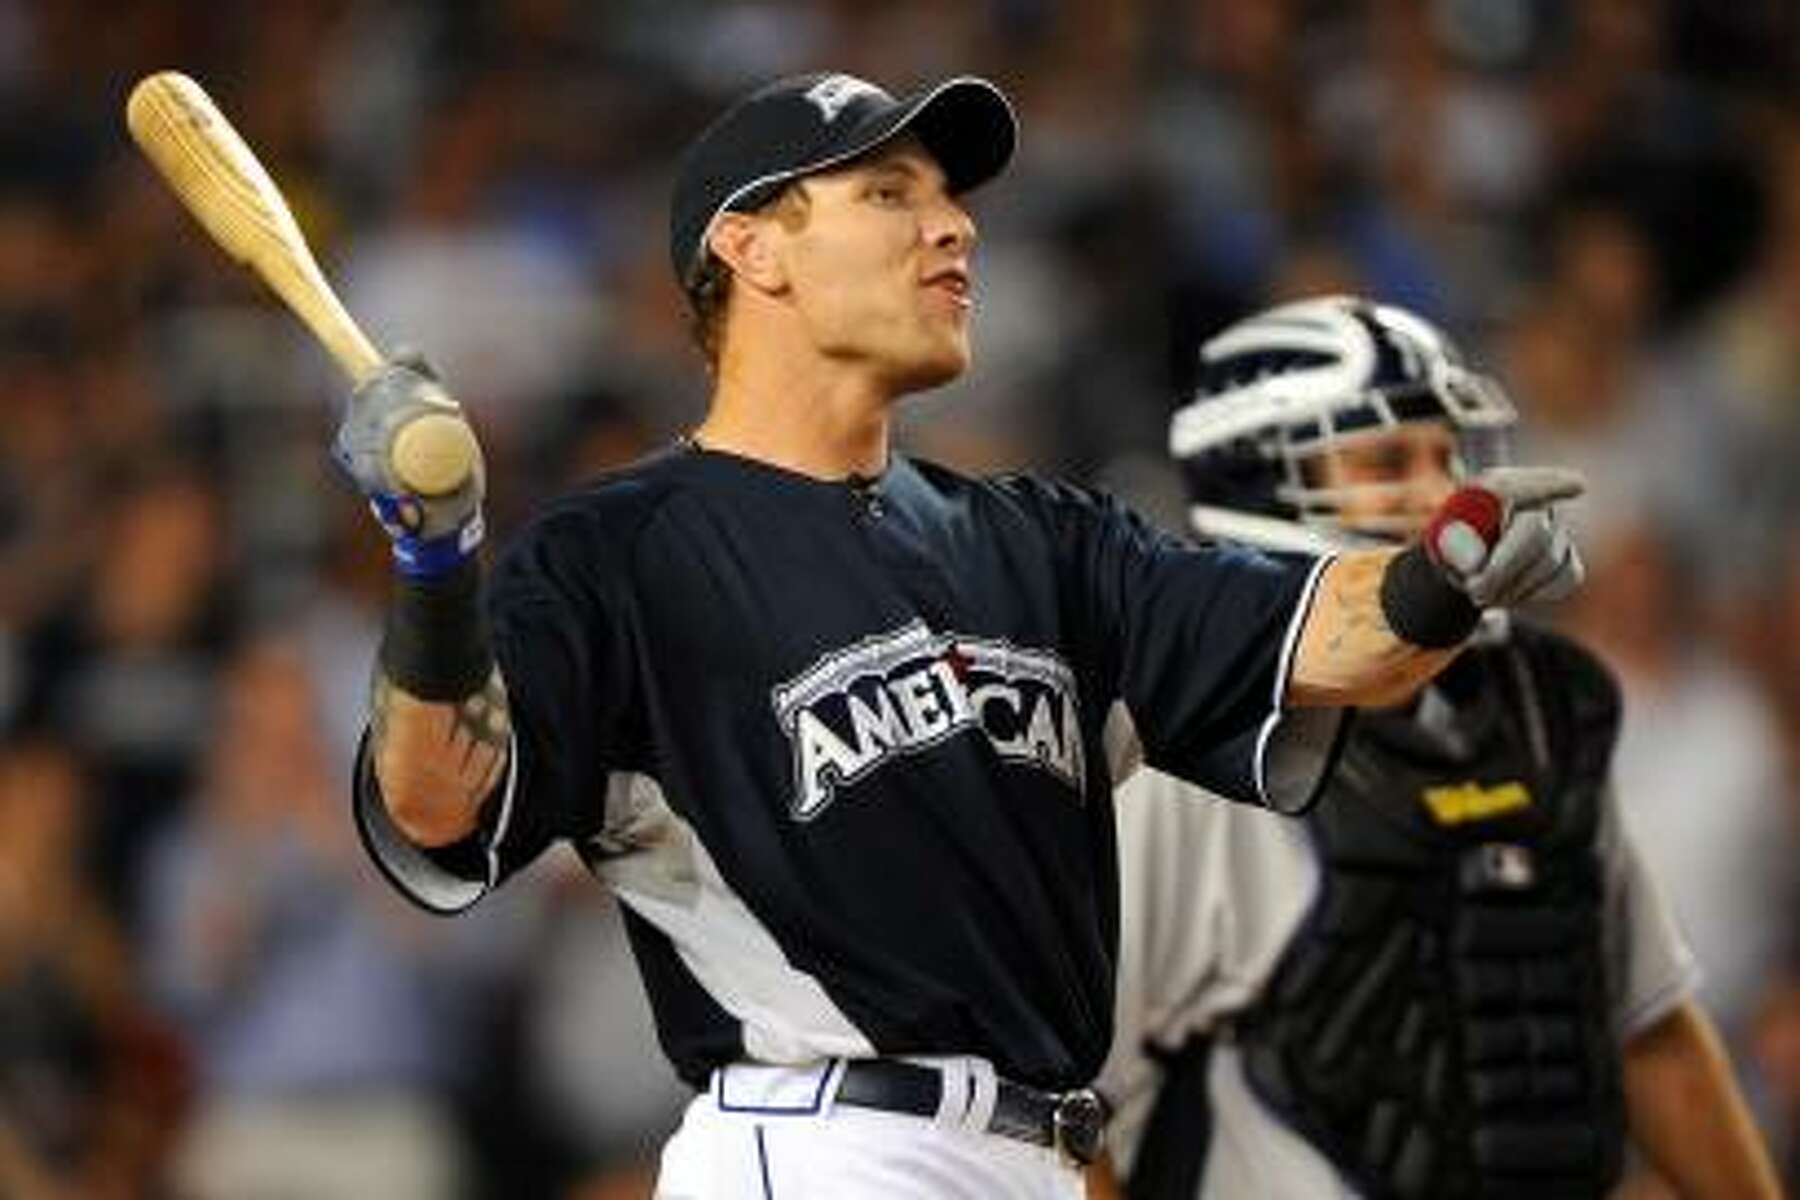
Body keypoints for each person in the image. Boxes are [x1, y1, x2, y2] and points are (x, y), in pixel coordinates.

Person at [327, 73, 1584, 1199]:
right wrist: (435, 565)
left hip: (1035, 1154)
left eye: (947, 196)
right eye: (888, 192)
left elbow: (1330, 640)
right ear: (751, 248)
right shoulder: (623, 553)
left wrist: (1447, 563)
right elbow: (438, 803)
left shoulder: (1041, 540)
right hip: (825, 1148)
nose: (955, 225)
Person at [1088, 296, 1782, 1200]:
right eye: (1386, 459)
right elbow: (1071, 1105)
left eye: (1445, 453)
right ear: (1258, 481)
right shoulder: (1192, 740)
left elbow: (1649, 1026)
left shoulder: (1536, 703)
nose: (1439, 492)